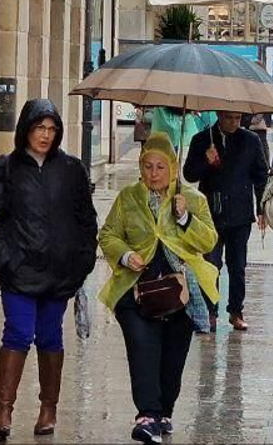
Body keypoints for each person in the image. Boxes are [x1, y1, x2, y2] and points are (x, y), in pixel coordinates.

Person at [0, 100, 99, 441]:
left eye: (51, 129)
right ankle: (4, 409)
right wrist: (5, 261)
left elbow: (86, 219)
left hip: (59, 272)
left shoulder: (72, 169)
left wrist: (82, 261)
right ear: (26, 129)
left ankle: (49, 408)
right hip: (18, 270)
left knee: (50, 336)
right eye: (39, 128)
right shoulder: (4, 168)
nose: (45, 135)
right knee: (18, 333)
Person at [99, 133, 219, 445]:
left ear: (173, 168)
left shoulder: (192, 199)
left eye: (160, 167)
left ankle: (164, 410)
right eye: (148, 166)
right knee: (142, 348)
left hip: (181, 293)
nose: (153, 174)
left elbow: (209, 241)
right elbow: (108, 234)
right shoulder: (128, 198)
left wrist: (184, 218)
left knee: (172, 358)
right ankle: (147, 415)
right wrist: (126, 255)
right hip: (136, 289)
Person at [183, 111, 268, 332]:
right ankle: (210, 311)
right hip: (210, 214)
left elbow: (261, 175)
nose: (234, 123)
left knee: (237, 265)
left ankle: (236, 310)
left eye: (238, 118)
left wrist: (262, 207)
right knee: (211, 264)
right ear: (220, 116)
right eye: (229, 118)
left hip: (240, 214)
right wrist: (206, 161)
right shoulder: (202, 140)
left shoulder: (250, 140)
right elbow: (189, 174)